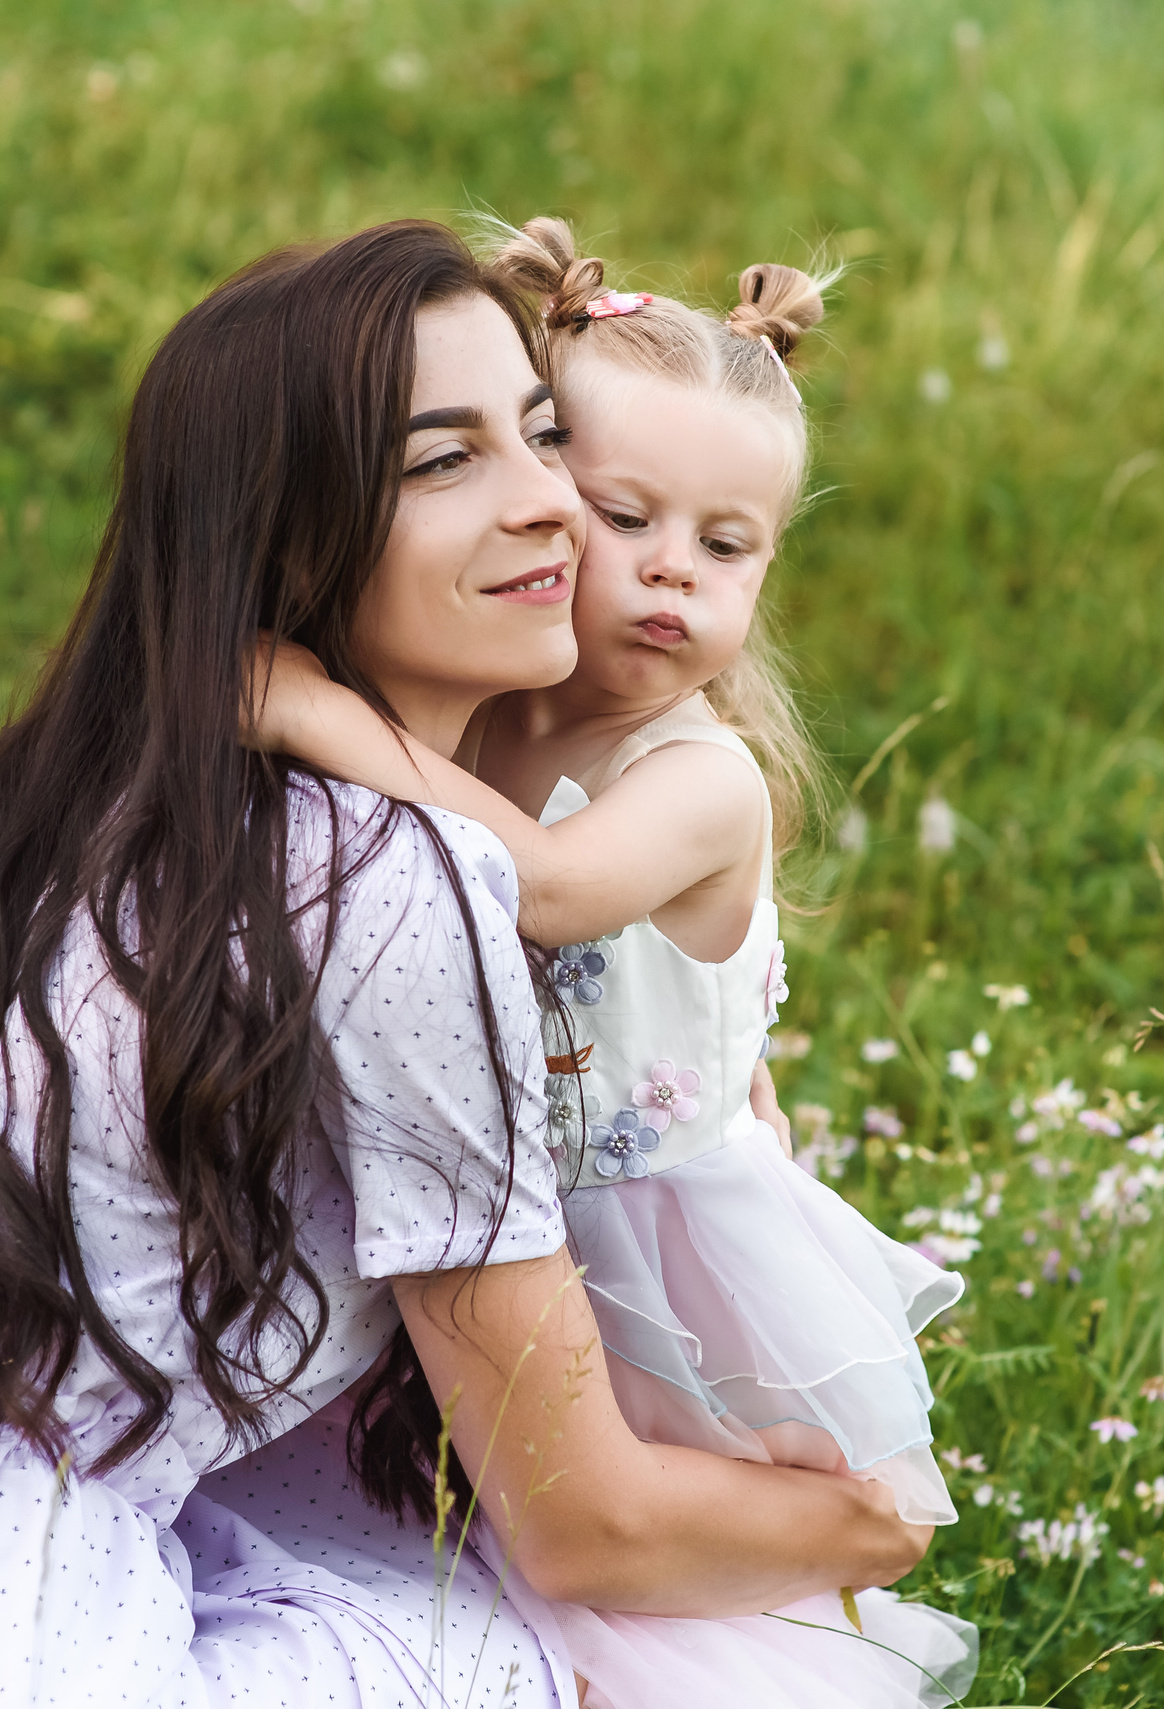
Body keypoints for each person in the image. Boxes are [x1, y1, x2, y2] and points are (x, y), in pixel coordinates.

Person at [0, 219, 930, 1709]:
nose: (549, 507)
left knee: (409, 1564)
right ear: (293, 534)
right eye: (442, 462)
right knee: (582, 1668)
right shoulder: (400, 884)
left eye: (541, 436)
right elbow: (587, 1526)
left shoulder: (120, 799)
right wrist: (871, 1527)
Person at [251, 218, 974, 1709]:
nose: (670, 575)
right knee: (487, 1540)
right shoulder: (482, 717)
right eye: (623, 517)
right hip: (518, 1219)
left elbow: (556, 888)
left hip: (663, 1243)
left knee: (657, 1570)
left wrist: (311, 711)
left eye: (727, 546)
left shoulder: (702, 776)